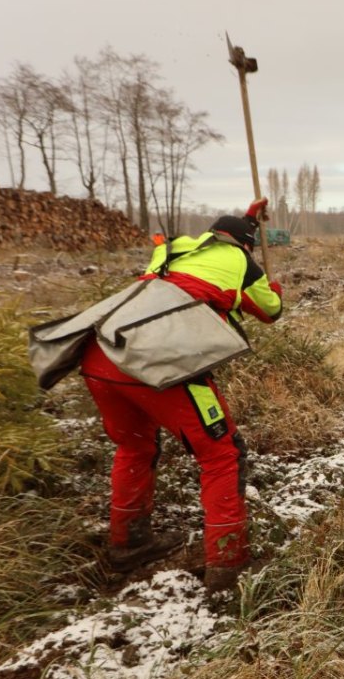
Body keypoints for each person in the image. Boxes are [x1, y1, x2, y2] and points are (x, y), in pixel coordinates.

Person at [80, 198, 283, 594]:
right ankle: (228, 566)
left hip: (100, 350)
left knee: (135, 446)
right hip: (161, 360)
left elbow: (203, 264)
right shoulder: (245, 262)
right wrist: (268, 288)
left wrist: (246, 219)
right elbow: (272, 310)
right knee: (222, 453)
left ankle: (129, 542)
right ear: (246, 246)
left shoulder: (171, 247)